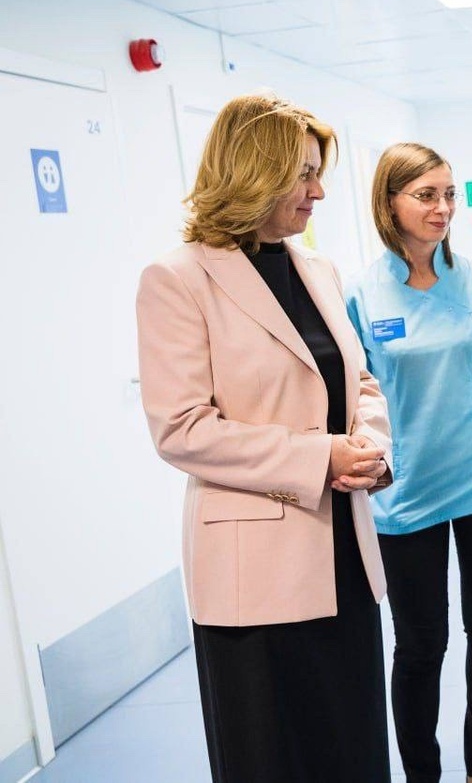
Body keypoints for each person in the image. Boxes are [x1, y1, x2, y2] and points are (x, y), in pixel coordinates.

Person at [135, 93, 393, 782]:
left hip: (344, 555)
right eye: (303, 174)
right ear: (254, 172)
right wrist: (319, 456)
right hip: (253, 579)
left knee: (356, 755)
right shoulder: (178, 279)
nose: (318, 192)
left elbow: (360, 382)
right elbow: (181, 428)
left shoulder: (318, 269)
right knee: (271, 761)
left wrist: (370, 449)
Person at [344, 142, 472, 783]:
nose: (443, 207)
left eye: (449, 194)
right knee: (421, 645)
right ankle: (423, 774)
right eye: (426, 195)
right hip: (406, 491)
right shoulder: (361, 295)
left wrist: (462, 421)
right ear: (388, 202)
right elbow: (356, 392)